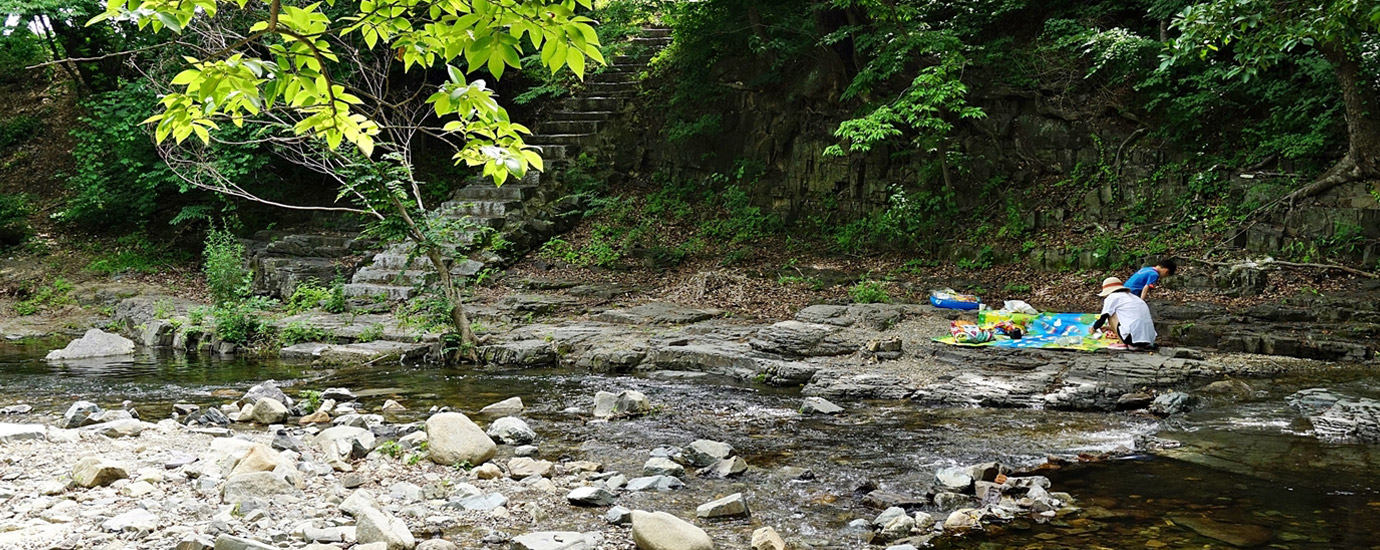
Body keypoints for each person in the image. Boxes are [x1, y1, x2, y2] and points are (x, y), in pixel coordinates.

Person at [1089, 276, 1157, 350]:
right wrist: (1110, 328)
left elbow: (1103, 317)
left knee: (1111, 313)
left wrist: (1094, 328)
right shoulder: (1135, 298)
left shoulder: (1112, 297)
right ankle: (1137, 345)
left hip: (1130, 338)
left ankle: (1122, 343)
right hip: (1148, 339)